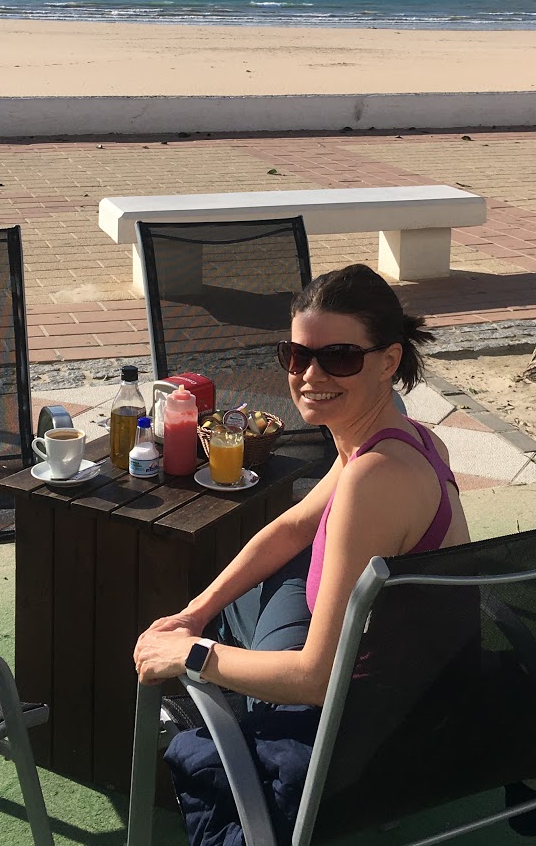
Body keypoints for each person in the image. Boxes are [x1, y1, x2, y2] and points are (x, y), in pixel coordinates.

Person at [133, 262, 469, 707]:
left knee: (202, 657)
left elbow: (317, 681)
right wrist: (193, 613)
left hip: (370, 720)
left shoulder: (374, 478)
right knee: (231, 599)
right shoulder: (404, 439)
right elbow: (293, 528)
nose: (311, 374)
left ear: (388, 361)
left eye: (340, 357)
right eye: (297, 355)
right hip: (417, 681)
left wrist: (191, 653)